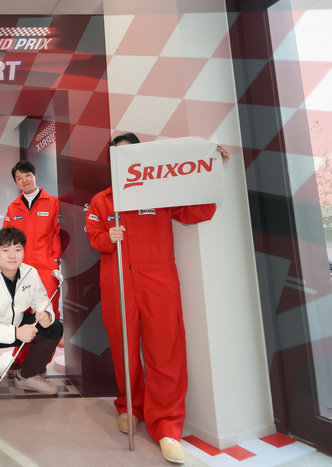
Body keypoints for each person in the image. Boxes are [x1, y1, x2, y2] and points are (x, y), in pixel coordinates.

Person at [85, 133, 231, 464]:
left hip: (158, 280)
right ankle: (130, 406)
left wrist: (211, 170)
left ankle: (167, 425)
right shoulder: (102, 200)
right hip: (118, 280)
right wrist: (107, 237)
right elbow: (94, 234)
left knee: (165, 349)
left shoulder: (161, 191)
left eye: (130, 154)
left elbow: (198, 211)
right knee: (123, 347)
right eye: (117, 156)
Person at [0, 227, 63, 401]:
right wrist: (16, 333)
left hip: (15, 321)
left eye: (17, 249)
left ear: (24, 251)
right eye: (5, 250)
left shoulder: (30, 273)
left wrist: (45, 312)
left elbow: (41, 299)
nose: (12, 256)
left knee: (54, 328)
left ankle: (26, 377)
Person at [2, 161, 61, 372]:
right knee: (22, 313)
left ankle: (38, 363)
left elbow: (57, 233)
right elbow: (5, 239)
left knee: (47, 315)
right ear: (16, 183)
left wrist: (55, 260)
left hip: (46, 268)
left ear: (35, 175)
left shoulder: (53, 202)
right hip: (21, 270)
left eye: (27, 175)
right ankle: (19, 358)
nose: (24, 180)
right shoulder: (13, 207)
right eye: (19, 178)